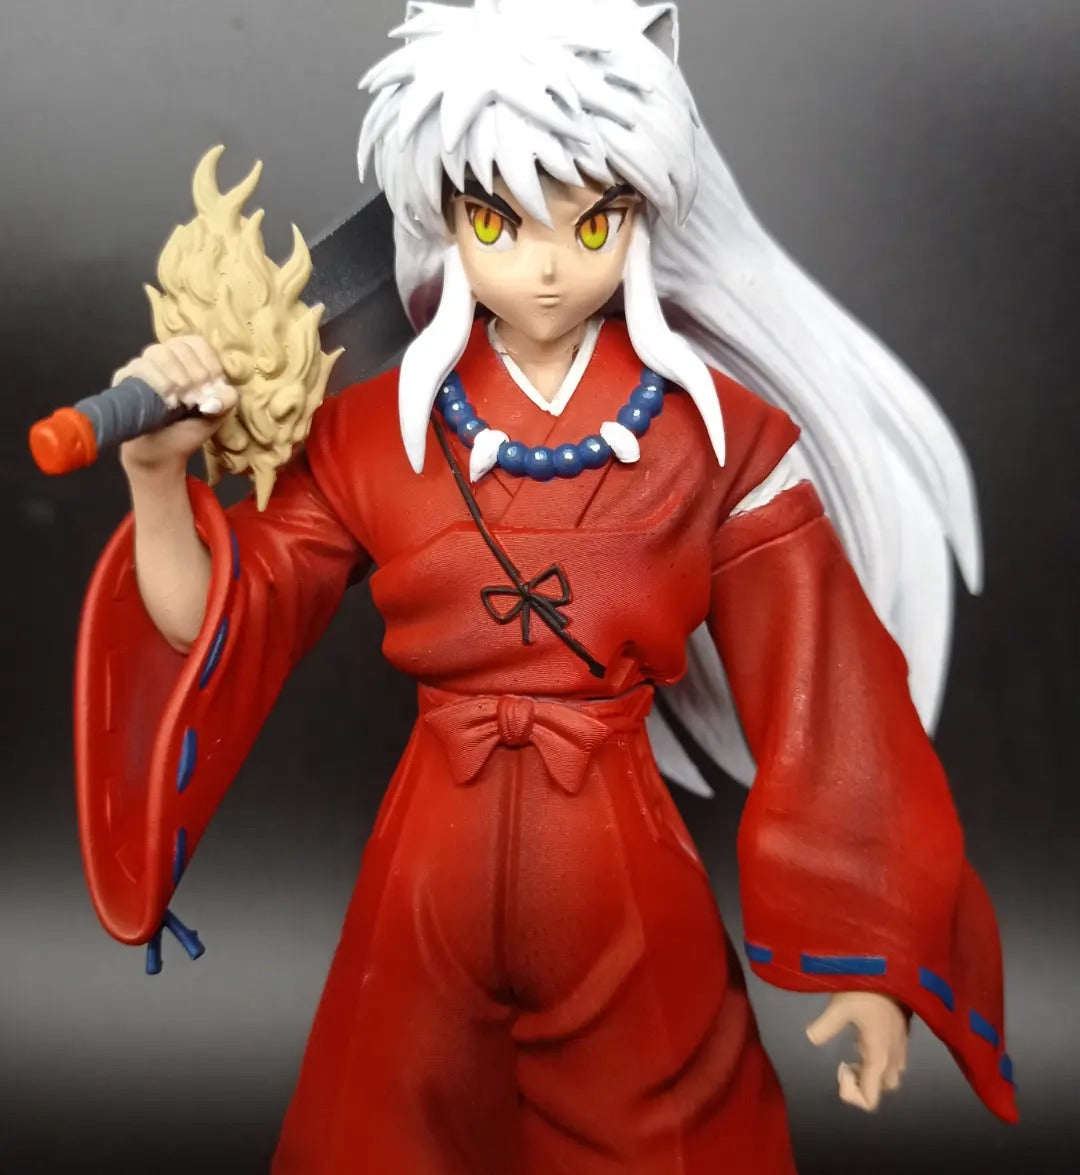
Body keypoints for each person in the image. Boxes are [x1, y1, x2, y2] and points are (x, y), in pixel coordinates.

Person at [73, 2, 1016, 1171]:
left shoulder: (716, 441)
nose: (551, 262)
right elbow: (217, 622)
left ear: (643, 210)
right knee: (383, 1135)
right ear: (445, 215)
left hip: (618, 890)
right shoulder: (372, 436)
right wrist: (157, 479)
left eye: (595, 218)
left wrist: (874, 948)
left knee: (672, 1135)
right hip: (426, 888)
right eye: (499, 218)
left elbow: (827, 689)